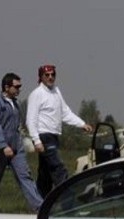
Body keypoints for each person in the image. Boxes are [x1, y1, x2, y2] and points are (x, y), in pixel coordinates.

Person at [25, 64, 93, 198]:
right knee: (58, 169)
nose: (50, 77)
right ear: (41, 77)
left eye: (53, 75)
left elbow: (65, 113)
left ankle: (40, 204)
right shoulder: (37, 94)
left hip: (54, 136)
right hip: (44, 136)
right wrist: (36, 140)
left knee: (45, 175)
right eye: (47, 75)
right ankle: (69, 203)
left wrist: (82, 124)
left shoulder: (56, 91)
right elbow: (30, 120)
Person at [0, 72, 43, 213]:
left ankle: (39, 207)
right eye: (16, 86)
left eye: (20, 86)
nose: (19, 89)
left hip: (16, 148)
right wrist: (3, 146)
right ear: (6, 87)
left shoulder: (15, 104)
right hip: (0, 149)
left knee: (25, 176)